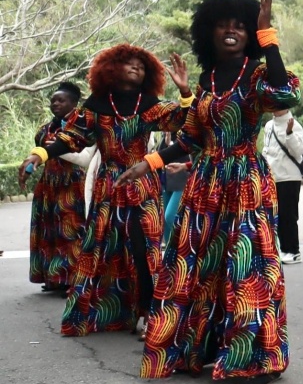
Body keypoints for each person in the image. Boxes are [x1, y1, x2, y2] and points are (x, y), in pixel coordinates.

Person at [119, 0, 300, 384]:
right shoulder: (207, 80)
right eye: (223, 25)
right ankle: (205, 346)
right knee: (199, 267)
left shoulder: (256, 72)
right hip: (206, 184)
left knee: (247, 268)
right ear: (209, 32)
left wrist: (268, 36)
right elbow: (190, 138)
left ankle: (255, 359)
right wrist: (147, 163)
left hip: (245, 182)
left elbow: (284, 94)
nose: (231, 31)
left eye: (240, 25)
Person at [20, 46, 194, 337]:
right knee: (100, 246)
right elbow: (71, 137)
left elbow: (187, 123)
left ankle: (152, 313)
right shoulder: (97, 106)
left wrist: (186, 92)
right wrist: (40, 155)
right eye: (130, 63)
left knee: (144, 248)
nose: (137, 68)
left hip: (142, 182)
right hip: (109, 185)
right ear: (112, 68)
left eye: (141, 65)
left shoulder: (149, 104)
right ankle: (105, 312)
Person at [20, 81, 93, 293]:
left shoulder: (81, 127)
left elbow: (84, 155)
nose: (55, 104)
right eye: (53, 100)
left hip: (72, 185)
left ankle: (71, 280)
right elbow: (38, 154)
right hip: (48, 185)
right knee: (48, 232)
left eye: (61, 100)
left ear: (74, 103)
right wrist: (27, 170)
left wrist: (55, 148)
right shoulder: (45, 129)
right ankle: (53, 277)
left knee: (71, 232)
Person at [261, 106, 303, 263]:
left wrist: (289, 133)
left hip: (289, 177)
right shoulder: (269, 125)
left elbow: (298, 151)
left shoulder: (295, 125)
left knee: (289, 216)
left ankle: (293, 251)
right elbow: (266, 150)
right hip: (272, 177)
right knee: (276, 216)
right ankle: (282, 249)